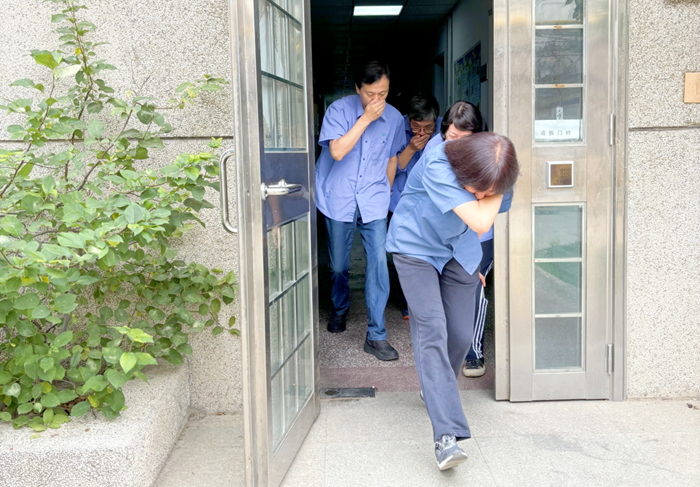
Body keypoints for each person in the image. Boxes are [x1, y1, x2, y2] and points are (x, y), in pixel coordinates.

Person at [386, 132, 519, 470]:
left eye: (490, 190)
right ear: (465, 170)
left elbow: (489, 209)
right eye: (477, 190)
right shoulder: (439, 163)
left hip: (459, 251)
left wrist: (491, 190)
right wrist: (492, 194)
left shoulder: (497, 171)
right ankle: (446, 437)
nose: (482, 195)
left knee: (460, 334)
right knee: (432, 329)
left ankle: (433, 388)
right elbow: (481, 220)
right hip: (416, 248)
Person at [315, 60, 405, 361]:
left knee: (378, 263)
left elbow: (392, 157)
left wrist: (386, 193)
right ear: (357, 88)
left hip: (374, 198)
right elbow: (337, 151)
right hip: (339, 196)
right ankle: (340, 307)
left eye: (383, 93)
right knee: (339, 266)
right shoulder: (338, 111)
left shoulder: (394, 118)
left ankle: (376, 335)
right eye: (370, 94)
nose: (377, 100)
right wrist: (365, 119)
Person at [424, 101, 493, 378]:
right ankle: (444, 362)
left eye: (465, 138)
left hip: (479, 233)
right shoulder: (434, 150)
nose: (456, 144)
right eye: (452, 136)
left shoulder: (487, 151)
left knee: (475, 288)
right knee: (444, 296)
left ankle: (474, 353)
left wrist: (472, 255)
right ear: (444, 131)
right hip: (445, 235)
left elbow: (495, 199)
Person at [388, 96, 442, 320]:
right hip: (401, 201)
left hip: (433, 203)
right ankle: (408, 305)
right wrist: (410, 148)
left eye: (428, 128)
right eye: (416, 126)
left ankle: (433, 302)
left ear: (436, 121)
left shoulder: (445, 129)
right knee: (406, 253)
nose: (421, 132)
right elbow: (392, 168)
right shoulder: (397, 128)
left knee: (432, 251)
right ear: (408, 119)